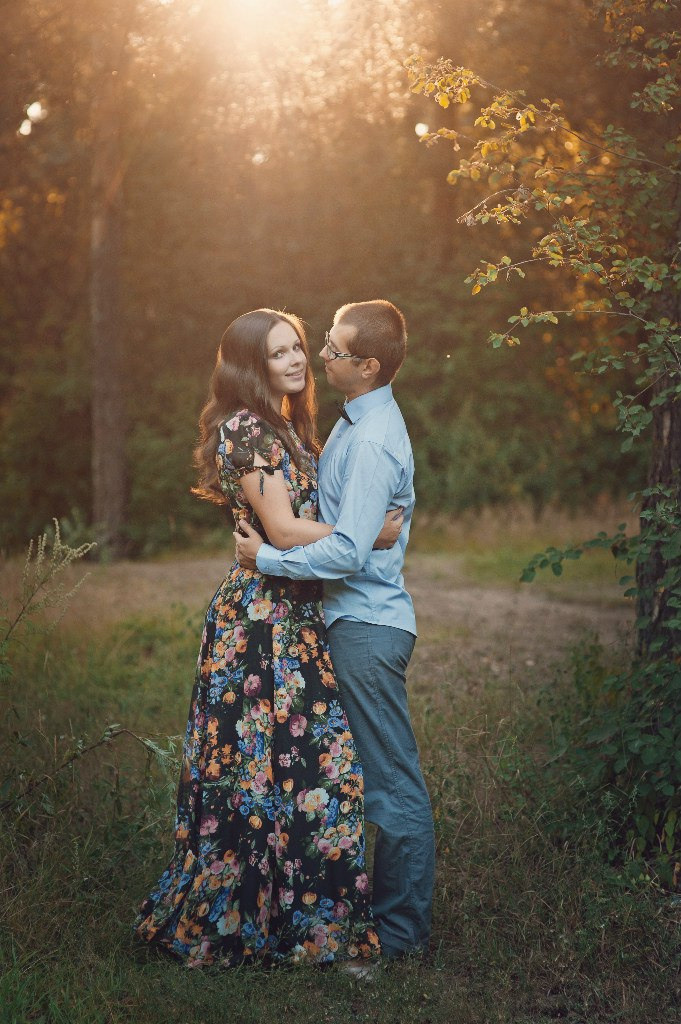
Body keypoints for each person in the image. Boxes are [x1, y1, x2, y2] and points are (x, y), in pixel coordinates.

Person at [133, 308, 401, 969]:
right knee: (261, 779)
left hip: (296, 620)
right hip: (258, 627)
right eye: (277, 353)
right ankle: (238, 922)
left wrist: (348, 527)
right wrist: (366, 531)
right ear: (248, 368)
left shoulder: (288, 427)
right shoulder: (245, 429)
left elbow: (302, 525)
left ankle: (303, 925)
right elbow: (280, 532)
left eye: (299, 348)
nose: (295, 360)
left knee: (309, 777)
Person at [235, 300, 435, 966]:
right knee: (351, 778)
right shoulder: (350, 421)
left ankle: (398, 937)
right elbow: (347, 527)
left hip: (366, 627)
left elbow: (349, 553)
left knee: (391, 784)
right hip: (347, 622)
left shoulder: (374, 437)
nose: (319, 355)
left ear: (367, 366)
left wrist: (265, 558)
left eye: (332, 349)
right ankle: (328, 911)